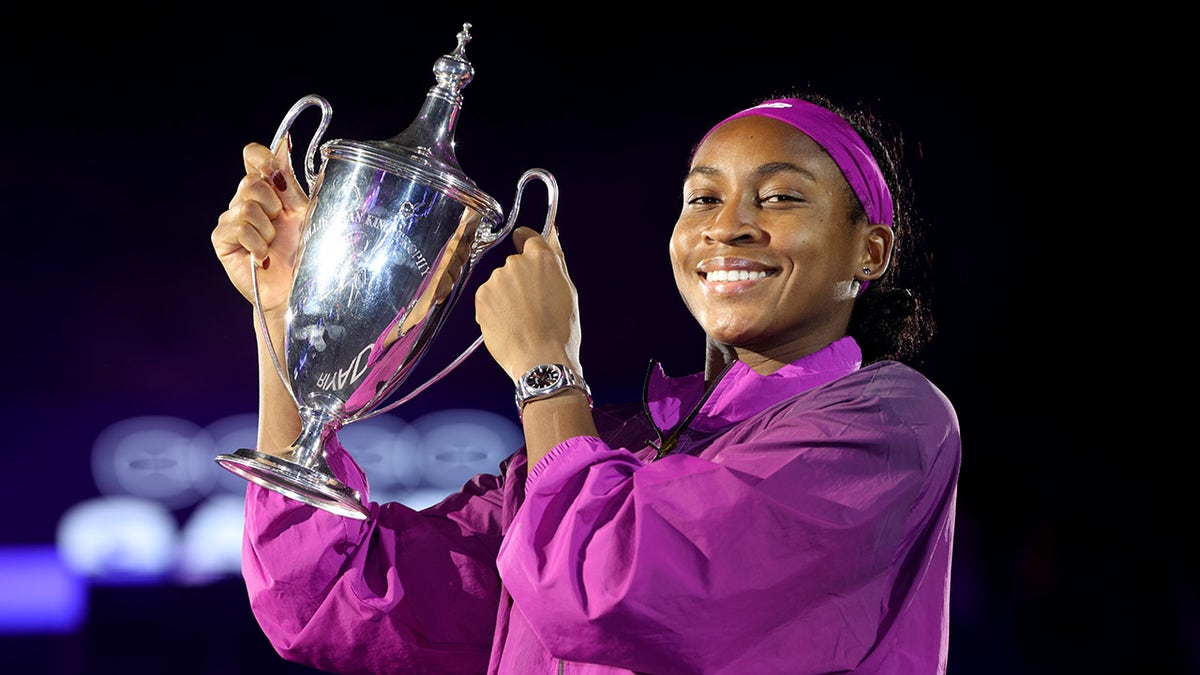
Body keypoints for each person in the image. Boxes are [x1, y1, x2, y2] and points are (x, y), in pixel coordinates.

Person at [211, 90, 961, 674]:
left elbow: (610, 586)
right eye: (704, 197)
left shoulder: (886, 426)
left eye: (781, 197)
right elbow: (334, 596)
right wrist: (288, 319)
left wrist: (547, 371)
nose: (728, 225)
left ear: (869, 250)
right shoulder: (608, 447)